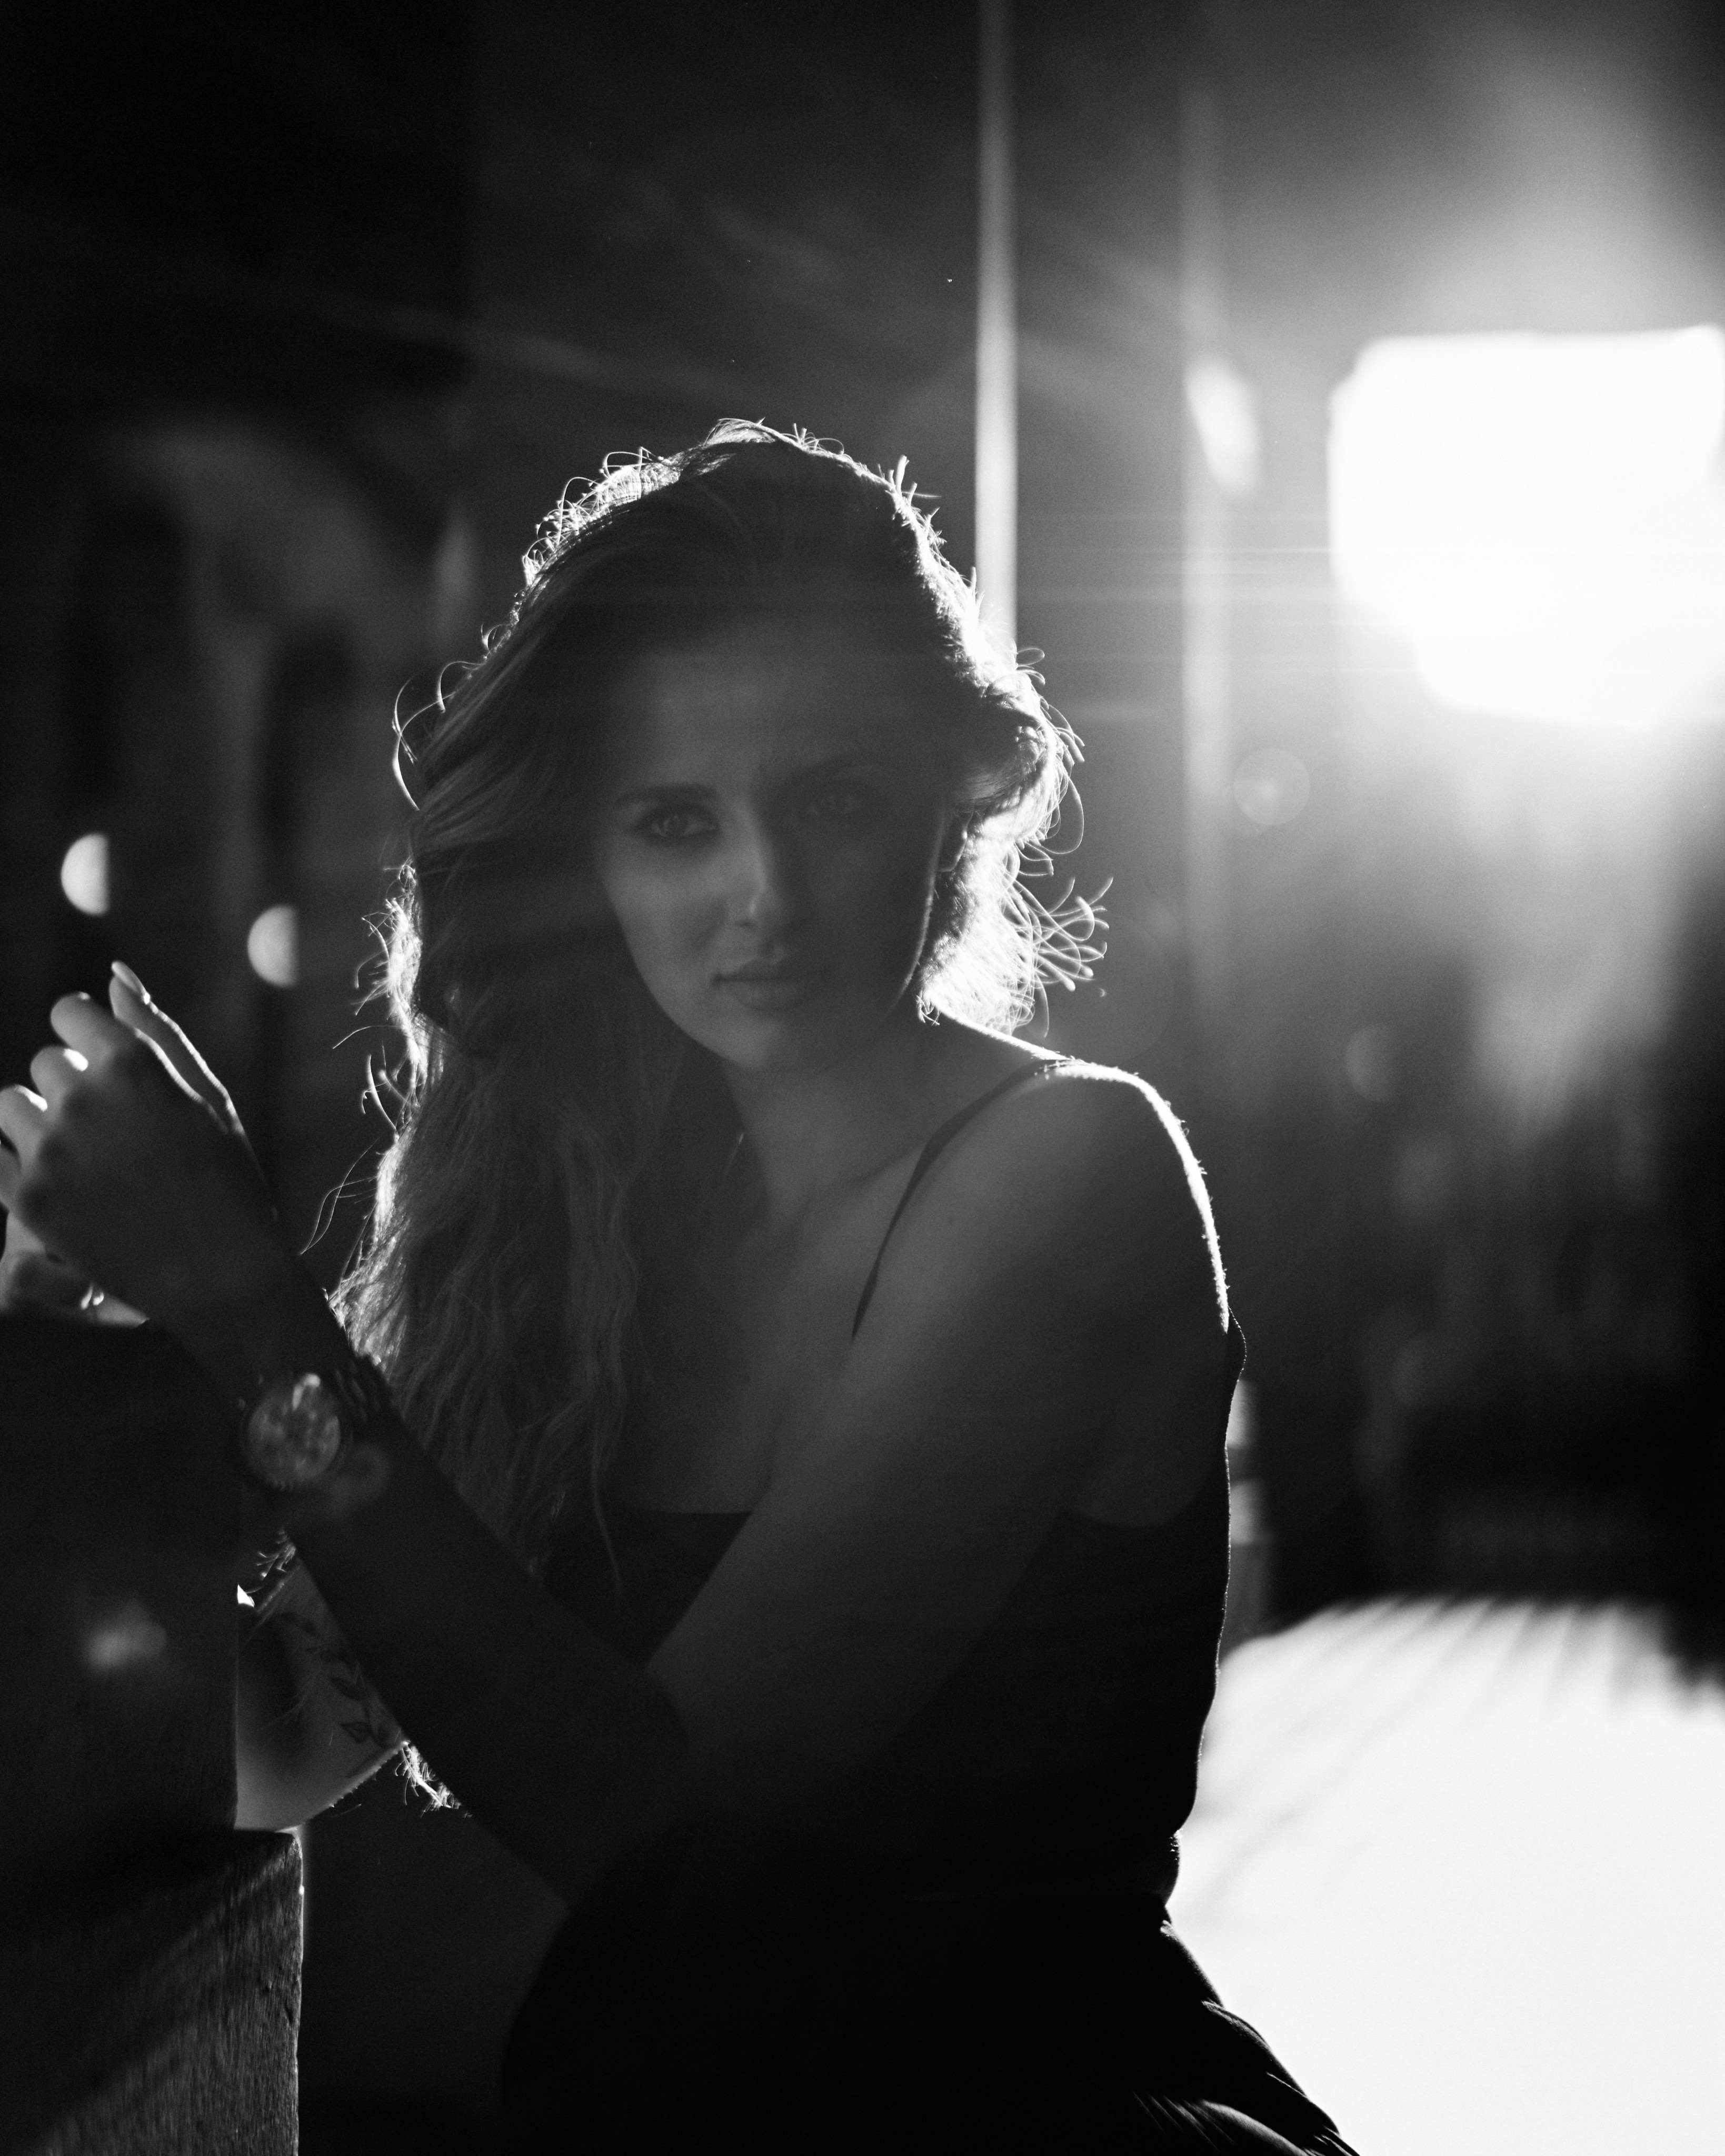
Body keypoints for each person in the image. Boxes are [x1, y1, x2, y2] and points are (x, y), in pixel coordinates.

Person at [0, 424, 1357, 2151]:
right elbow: (274, 1746)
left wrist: (243, 1300)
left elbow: (670, 1831)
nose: (763, 895)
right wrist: (92, 1342)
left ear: (952, 797)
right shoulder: (590, 1232)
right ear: (588, 861)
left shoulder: (1074, 1172)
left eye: (835, 800)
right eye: (675, 822)